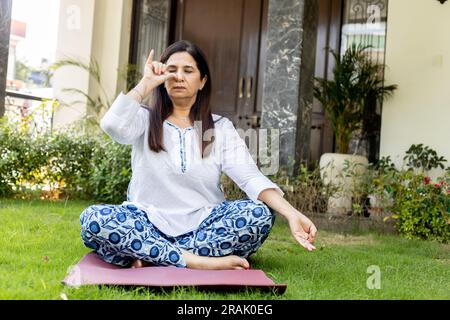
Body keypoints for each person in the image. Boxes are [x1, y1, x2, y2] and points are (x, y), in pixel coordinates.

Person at [79, 40, 317, 270]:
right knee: (93, 219)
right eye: (171, 70)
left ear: (202, 81)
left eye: (188, 70)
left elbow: (250, 178)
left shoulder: (219, 127)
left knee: (258, 214)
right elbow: (111, 125)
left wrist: (291, 214)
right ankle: (197, 261)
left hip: (205, 225)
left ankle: (152, 255)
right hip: (147, 223)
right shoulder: (143, 119)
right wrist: (146, 83)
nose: (178, 76)